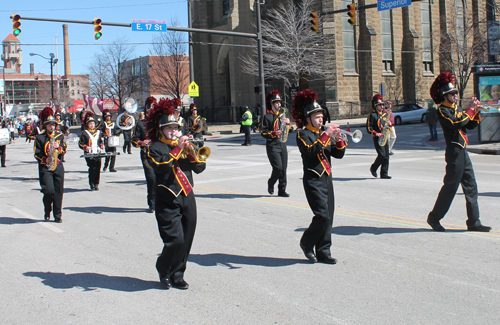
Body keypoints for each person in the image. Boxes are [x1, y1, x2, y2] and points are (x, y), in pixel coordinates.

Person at [145, 98, 206, 290]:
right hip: (167, 199)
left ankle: (178, 273)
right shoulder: (154, 148)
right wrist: (178, 148)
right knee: (174, 240)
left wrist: (193, 154)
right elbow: (162, 166)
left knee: (186, 239)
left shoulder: (184, 145)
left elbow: (199, 168)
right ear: (161, 130)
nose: (174, 131)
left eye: (175, 128)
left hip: (187, 195)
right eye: (170, 128)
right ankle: (163, 268)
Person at [427, 72, 491, 232]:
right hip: (454, 152)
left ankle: (474, 222)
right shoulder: (442, 111)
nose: (456, 96)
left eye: (455, 93)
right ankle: (434, 218)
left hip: (463, 151)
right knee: (451, 186)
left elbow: (468, 126)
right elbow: (456, 124)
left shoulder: (456, 108)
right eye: (452, 94)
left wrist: (475, 111)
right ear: (444, 95)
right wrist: (469, 110)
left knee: (471, 186)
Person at [292, 89, 346, 264]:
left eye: (321, 116)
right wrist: (327, 134)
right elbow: (312, 150)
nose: (321, 119)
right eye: (316, 117)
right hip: (313, 180)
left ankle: (324, 251)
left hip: (327, 179)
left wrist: (339, 140)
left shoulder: (323, 134)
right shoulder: (302, 134)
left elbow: (338, 155)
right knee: (322, 215)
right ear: (308, 119)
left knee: (329, 216)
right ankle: (306, 243)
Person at [34, 107, 67, 223]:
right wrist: (45, 159)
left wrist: (60, 148)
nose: (51, 127)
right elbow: (36, 153)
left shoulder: (59, 136)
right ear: (45, 126)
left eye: (53, 124)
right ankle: (47, 210)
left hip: (57, 165)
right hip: (45, 167)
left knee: (58, 191)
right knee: (48, 191)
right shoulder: (39, 137)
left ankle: (58, 215)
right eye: (49, 125)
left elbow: (65, 148)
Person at [261, 90, 291, 197]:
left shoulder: (283, 115)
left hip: (282, 144)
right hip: (272, 145)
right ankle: (271, 182)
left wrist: (289, 124)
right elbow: (263, 132)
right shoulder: (267, 117)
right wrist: (274, 132)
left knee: (284, 168)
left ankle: (282, 190)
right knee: (277, 167)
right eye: (277, 103)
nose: (279, 105)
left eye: (280, 102)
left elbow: (290, 131)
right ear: (272, 104)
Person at [132, 97, 157, 213]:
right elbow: (134, 140)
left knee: (161, 179)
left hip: (159, 153)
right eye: (149, 107)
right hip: (146, 154)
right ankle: (152, 203)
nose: (151, 110)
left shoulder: (160, 122)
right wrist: (142, 142)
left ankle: (161, 202)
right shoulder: (141, 124)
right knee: (151, 178)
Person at [366, 94, 392, 179]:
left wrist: (389, 125)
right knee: (382, 154)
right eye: (380, 105)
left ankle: (384, 173)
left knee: (386, 155)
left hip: (384, 136)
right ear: (376, 106)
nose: (382, 106)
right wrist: (376, 133)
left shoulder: (385, 115)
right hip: (378, 137)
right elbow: (369, 127)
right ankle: (373, 168)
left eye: (382, 105)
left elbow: (386, 125)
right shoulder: (372, 115)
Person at [79, 112, 105, 191]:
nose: (92, 125)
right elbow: (81, 143)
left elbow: (100, 141)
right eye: (90, 124)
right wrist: (85, 147)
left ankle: (96, 183)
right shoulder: (84, 133)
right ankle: (92, 183)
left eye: (93, 123)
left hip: (97, 153)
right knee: (92, 168)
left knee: (98, 168)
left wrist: (101, 145)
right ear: (87, 125)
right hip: (89, 153)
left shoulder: (98, 133)